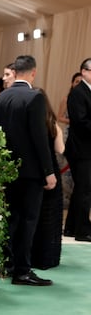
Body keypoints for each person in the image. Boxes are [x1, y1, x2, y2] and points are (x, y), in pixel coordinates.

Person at [0, 55, 56, 285]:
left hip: (7, 169)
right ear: (33, 73)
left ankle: (8, 264)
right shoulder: (35, 97)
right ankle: (22, 270)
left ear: (15, 72)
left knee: (10, 219)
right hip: (30, 172)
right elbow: (39, 138)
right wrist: (48, 170)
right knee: (29, 221)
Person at [31, 89, 64, 269]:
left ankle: (29, 255)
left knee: (32, 215)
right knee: (50, 215)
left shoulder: (30, 124)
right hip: (51, 170)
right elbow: (60, 149)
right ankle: (47, 257)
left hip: (33, 170)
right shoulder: (52, 124)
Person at [65, 58, 91, 242]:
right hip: (81, 149)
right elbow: (80, 122)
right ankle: (82, 230)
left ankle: (72, 228)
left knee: (82, 189)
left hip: (86, 148)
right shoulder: (78, 93)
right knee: (84, 190)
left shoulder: (86, 92)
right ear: (84, 72)